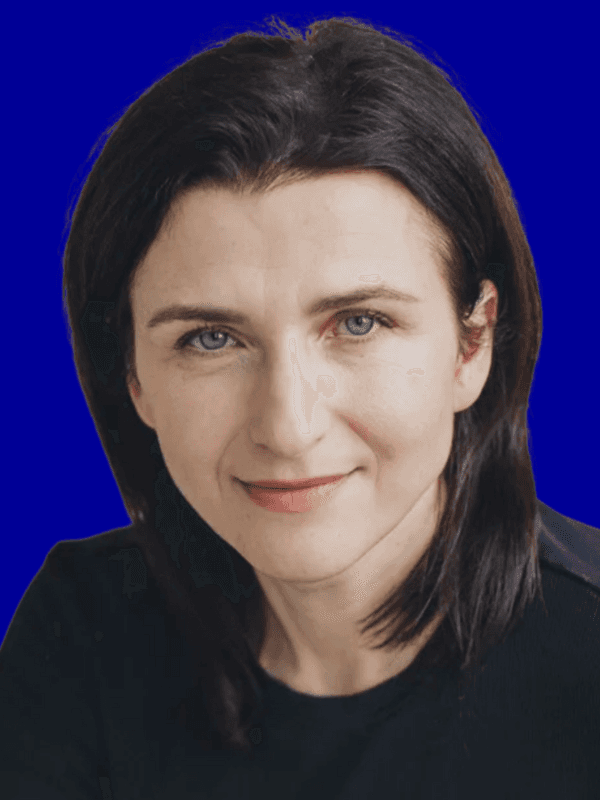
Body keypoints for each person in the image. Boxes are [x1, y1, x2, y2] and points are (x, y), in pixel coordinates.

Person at [1, 14, 598, 800]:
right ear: (132, 377)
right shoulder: (83, 630)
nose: (287, 427)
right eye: (211, 339)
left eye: (360, 323)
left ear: (471, 344)